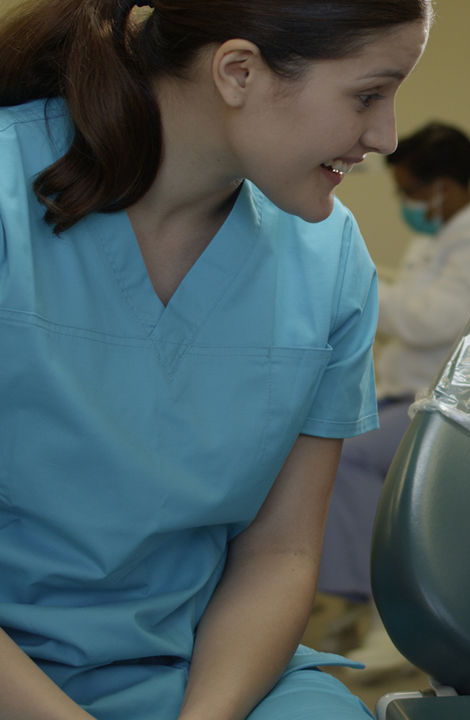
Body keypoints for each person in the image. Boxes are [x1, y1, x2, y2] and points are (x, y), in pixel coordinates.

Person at [0, 1, 431, 718]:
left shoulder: (328, 259)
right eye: (366, 94)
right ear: (238, 71)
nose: (385, 136)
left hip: (199, 667)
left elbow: (280, 554)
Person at [315, 121, 470, 673]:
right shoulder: (441, 236)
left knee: (348, 453)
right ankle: (353, 602)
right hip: (410, 396)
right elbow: (409, 304)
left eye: (408, 192)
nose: (404, 203)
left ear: (442, 187)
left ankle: (372, 607)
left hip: (453, 414)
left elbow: (427, 321)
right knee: (328, 434)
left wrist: (352, 281)